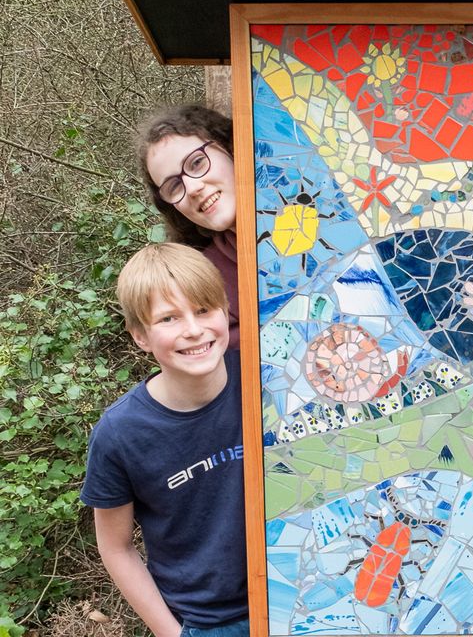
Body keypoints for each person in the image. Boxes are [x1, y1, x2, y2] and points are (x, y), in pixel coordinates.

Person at [80, 243, 247, 637]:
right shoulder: (120, 433)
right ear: (141, 335)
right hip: (209, 623)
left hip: (297, 597)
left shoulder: (266, 379)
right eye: (169, 318)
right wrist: (170, 633)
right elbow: (115, 547)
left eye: (204, 310)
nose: (193, 329)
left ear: (226, 311)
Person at [136, 105, 240, 348]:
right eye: (174, 186)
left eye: (197, 163)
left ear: (231, 148)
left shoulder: (322, 211)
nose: (192, 188)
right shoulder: (200, 281)